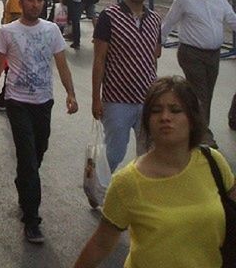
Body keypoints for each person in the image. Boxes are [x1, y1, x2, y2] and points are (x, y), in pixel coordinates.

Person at [74, 76, 236, 268]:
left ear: (192, 119)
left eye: (175, 110)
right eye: (156, 111)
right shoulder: (127, 182)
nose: (165, 117)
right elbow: (101, 244)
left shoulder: (213, 162)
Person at [0, 0, 78, 244]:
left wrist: (71, 93)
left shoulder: (51, 30)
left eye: (39, 0)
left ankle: (24, 183)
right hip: (18, 103)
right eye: (30, 0)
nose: (36, 4)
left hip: (44, 103)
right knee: (28, 159)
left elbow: (62, 65)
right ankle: (31, 220)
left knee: (37, 155)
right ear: (22, 2)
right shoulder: (7, 32)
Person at [92, 0, 161, 172]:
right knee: (114, 153)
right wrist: (97, 98)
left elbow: (154, 56)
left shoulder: (155, 19)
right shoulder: (109, 16)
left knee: (149, 153)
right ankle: (98, 189)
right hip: (117, 100)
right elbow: (99, 59)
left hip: (147, 99)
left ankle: (144, 195)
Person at [161, 0, 236, 147]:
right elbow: (169, 21)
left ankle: (196, 127)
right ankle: (203, 135)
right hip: (191, 53)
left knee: (207, 94)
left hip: (213, 54)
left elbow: (232, 19)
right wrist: (157, 43)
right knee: (200, 92)